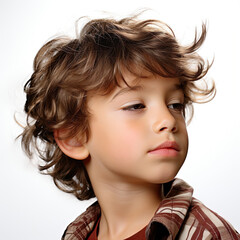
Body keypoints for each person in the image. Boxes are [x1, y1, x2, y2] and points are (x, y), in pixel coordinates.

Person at [20, 14, 240, 240]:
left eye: (175, 105)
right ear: (73, 138)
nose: (168, 120)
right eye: (135, 106)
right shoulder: (77, 234)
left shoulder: (209, 235)